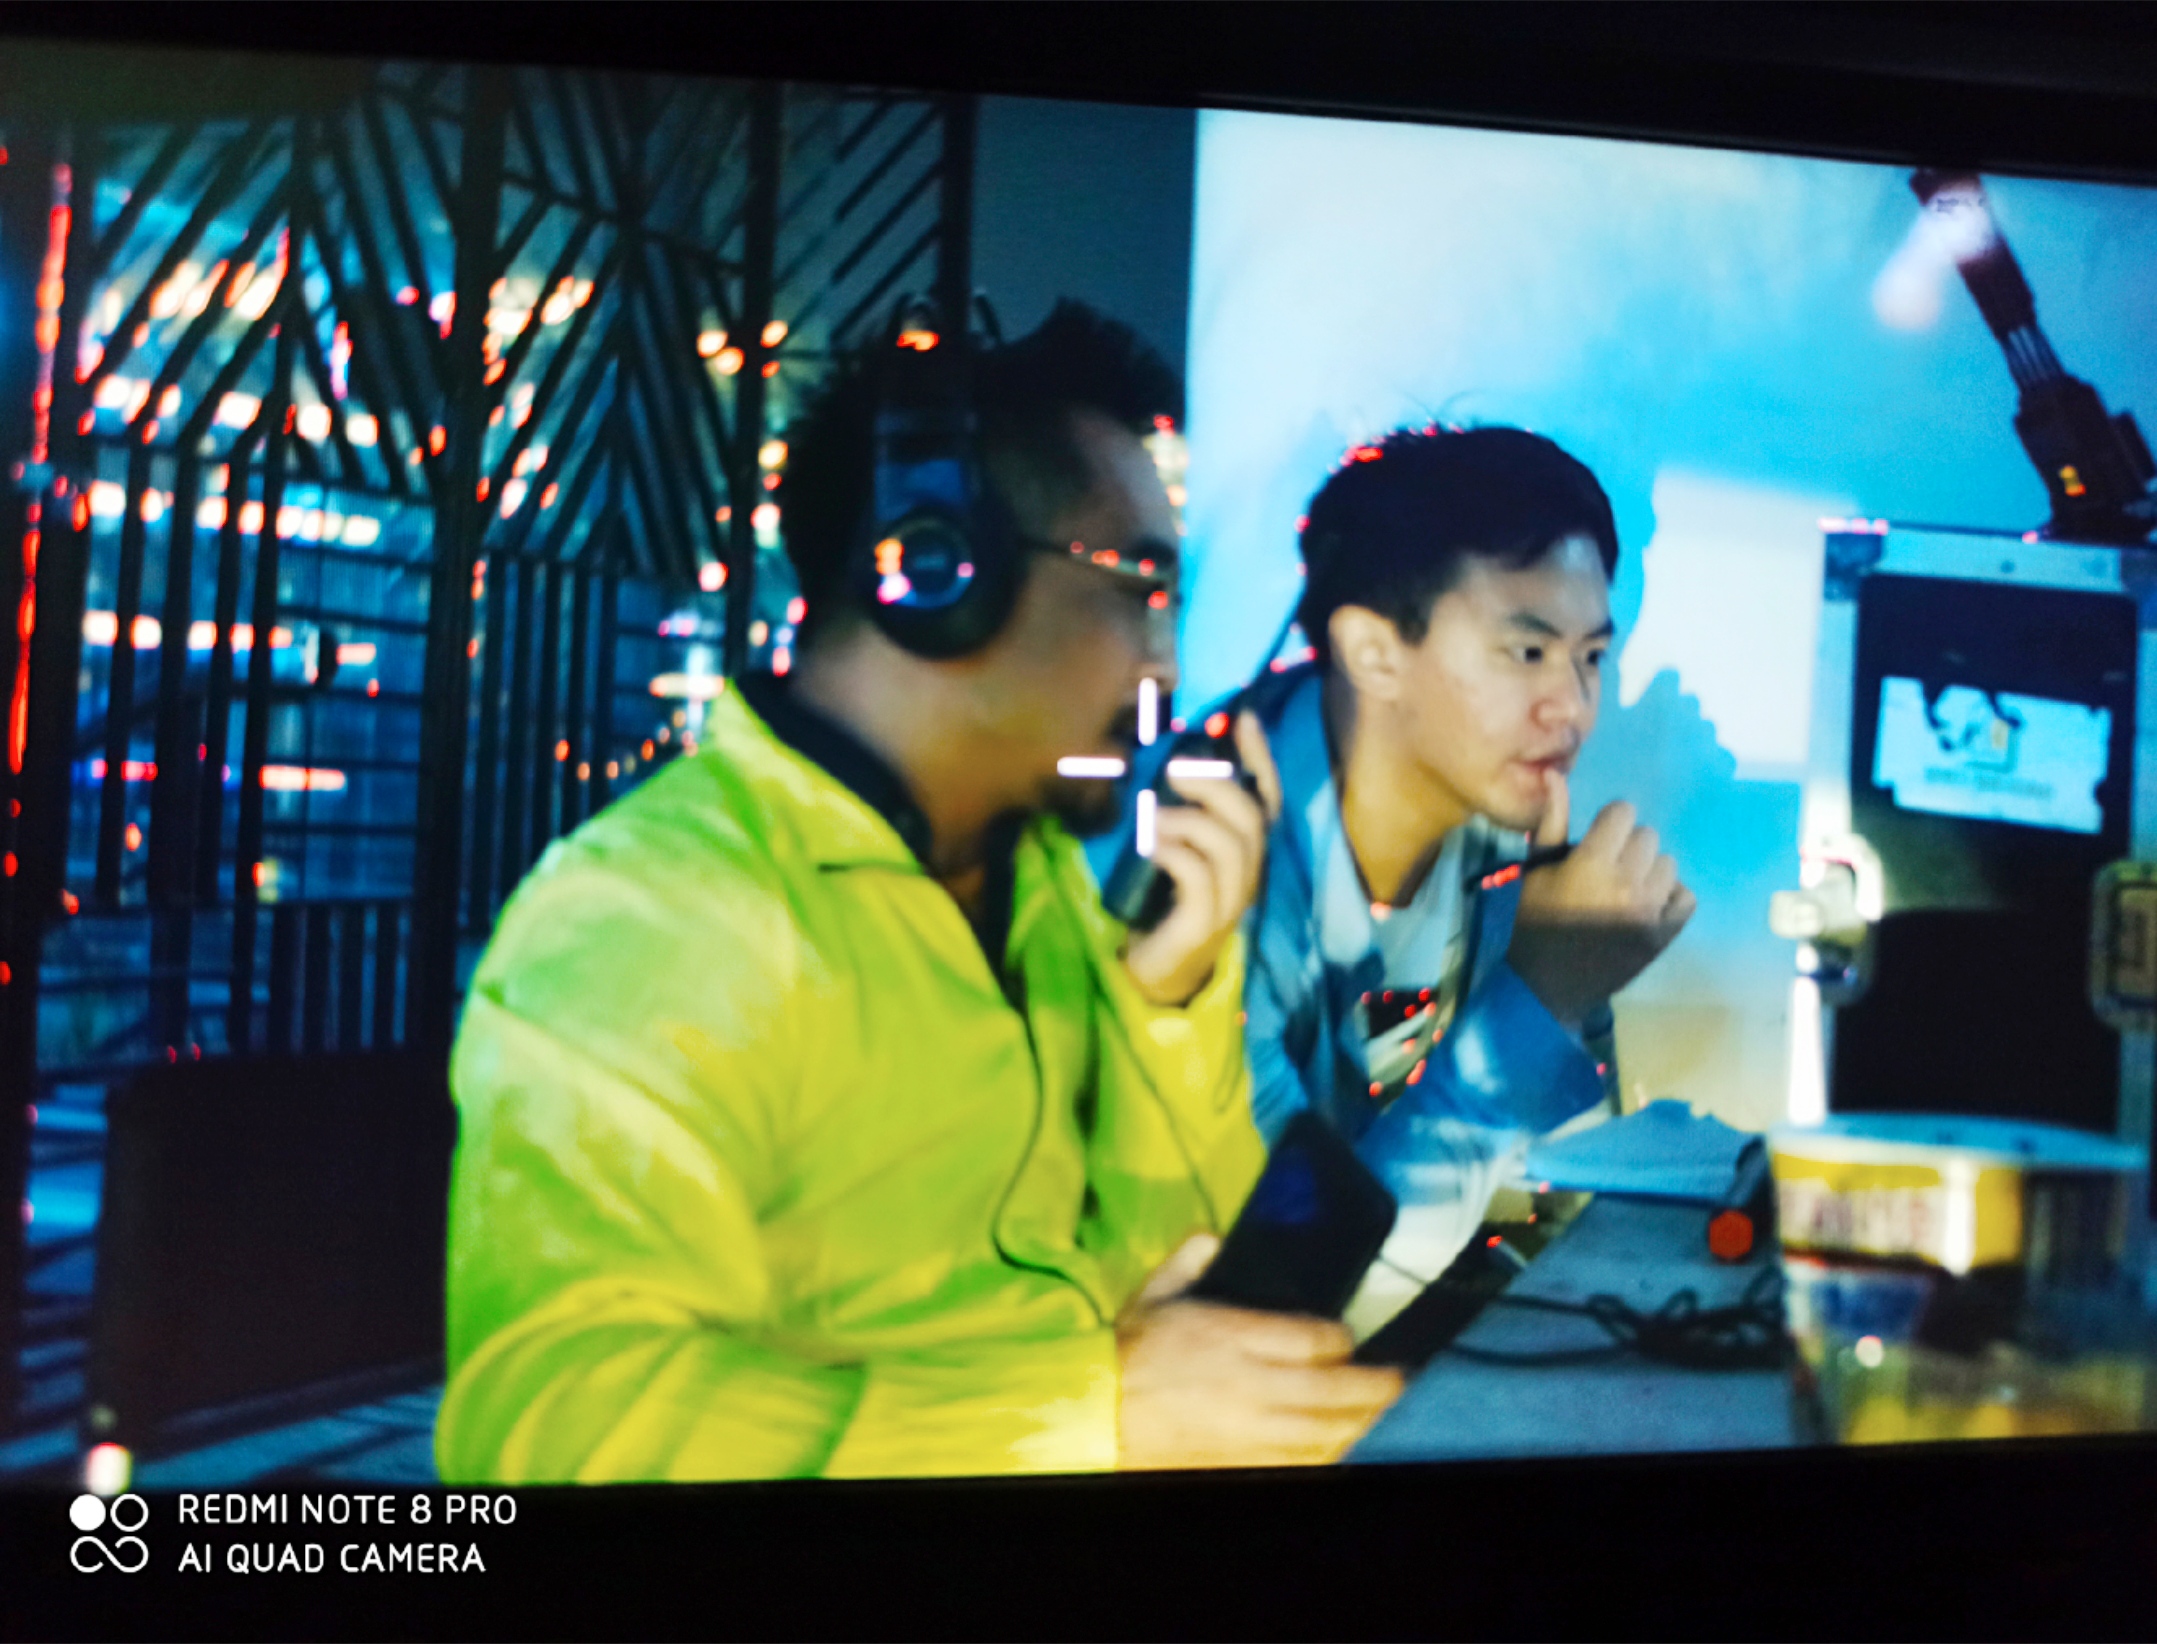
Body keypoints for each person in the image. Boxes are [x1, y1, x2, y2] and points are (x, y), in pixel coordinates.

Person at [433, 301, 1404, 1482]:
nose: (1163, 662)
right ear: (940, 571)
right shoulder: (659, 913)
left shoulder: (1040, 888)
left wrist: (1169, 1004)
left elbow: (1171, 1273)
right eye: (1140, 587)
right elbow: (552, 1430)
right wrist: (1088, 1409)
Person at [1236, 425, 1697, 1334]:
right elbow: (1294, 1294)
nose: (1573, 707)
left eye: (1589, 658)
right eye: (1527, 652)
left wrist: (1569, 993)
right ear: (1373, 654)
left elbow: (1554, 1192)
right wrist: (1539, 994)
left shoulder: (1495, 832)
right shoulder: (1209, 870)